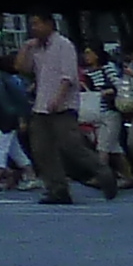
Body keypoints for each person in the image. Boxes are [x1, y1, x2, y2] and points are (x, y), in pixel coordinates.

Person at [20, 13, 93, 204]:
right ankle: (57, 189)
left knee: (72, 146)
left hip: (63, 105)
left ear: (49, 24)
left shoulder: (64, 45)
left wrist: (58, 98)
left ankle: (102, 171)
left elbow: (68, 76)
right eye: (31, 24)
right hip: (41, 106)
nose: (34, 28)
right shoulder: (36, 48)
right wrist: (26, 48)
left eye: (37, 23)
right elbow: (23, 69)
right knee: (41, 149)